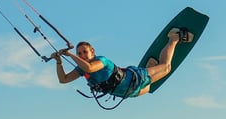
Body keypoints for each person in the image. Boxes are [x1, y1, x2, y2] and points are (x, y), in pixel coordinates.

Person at [51, 28, 194, 98]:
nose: (82, 55)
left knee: (167, 68)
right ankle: (152, 67)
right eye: (79, 53)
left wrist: (68, 54)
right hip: (128, 93)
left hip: (136, 79)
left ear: (92, 52)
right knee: (149, 89)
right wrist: (58, 62)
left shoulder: (101, 61)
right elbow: (63, 80)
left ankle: (174, 38)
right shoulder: (81, 69)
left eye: (84, 52)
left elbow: (90, 67)